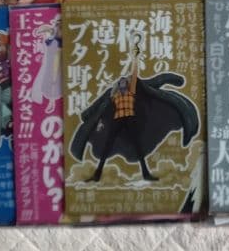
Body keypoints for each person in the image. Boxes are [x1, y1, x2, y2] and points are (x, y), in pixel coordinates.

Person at [71, 46, 200, 183]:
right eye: (120, 83)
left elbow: (134, 74)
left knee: (138, 147)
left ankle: (145, 173)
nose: (122, 84)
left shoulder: (130, 92)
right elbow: (101, 107)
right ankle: (97, 174)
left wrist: (135, 58)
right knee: (108, 145)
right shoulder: (114, 95)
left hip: (130, 120)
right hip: (117, 120)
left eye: (124, 82)